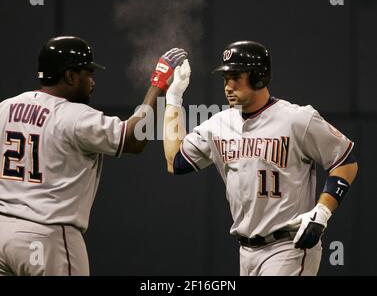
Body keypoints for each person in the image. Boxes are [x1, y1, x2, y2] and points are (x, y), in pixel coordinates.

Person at [163, 41, 358, 276]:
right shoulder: (218, 124)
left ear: (258, 77)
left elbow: (345, 162)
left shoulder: (297, 119)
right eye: (226, 78)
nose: (228, 86)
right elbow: (175, 161)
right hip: (246, 252)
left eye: (235, 76)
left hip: (290, 245)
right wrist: (174, 99)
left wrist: (323, 211)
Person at [0, 36, 187, 275]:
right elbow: (133, 140)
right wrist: (158, 84)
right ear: (69, 75)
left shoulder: (5, 107)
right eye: (88, 73)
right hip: (47, 235)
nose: (92, 81)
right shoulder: (74, 115)